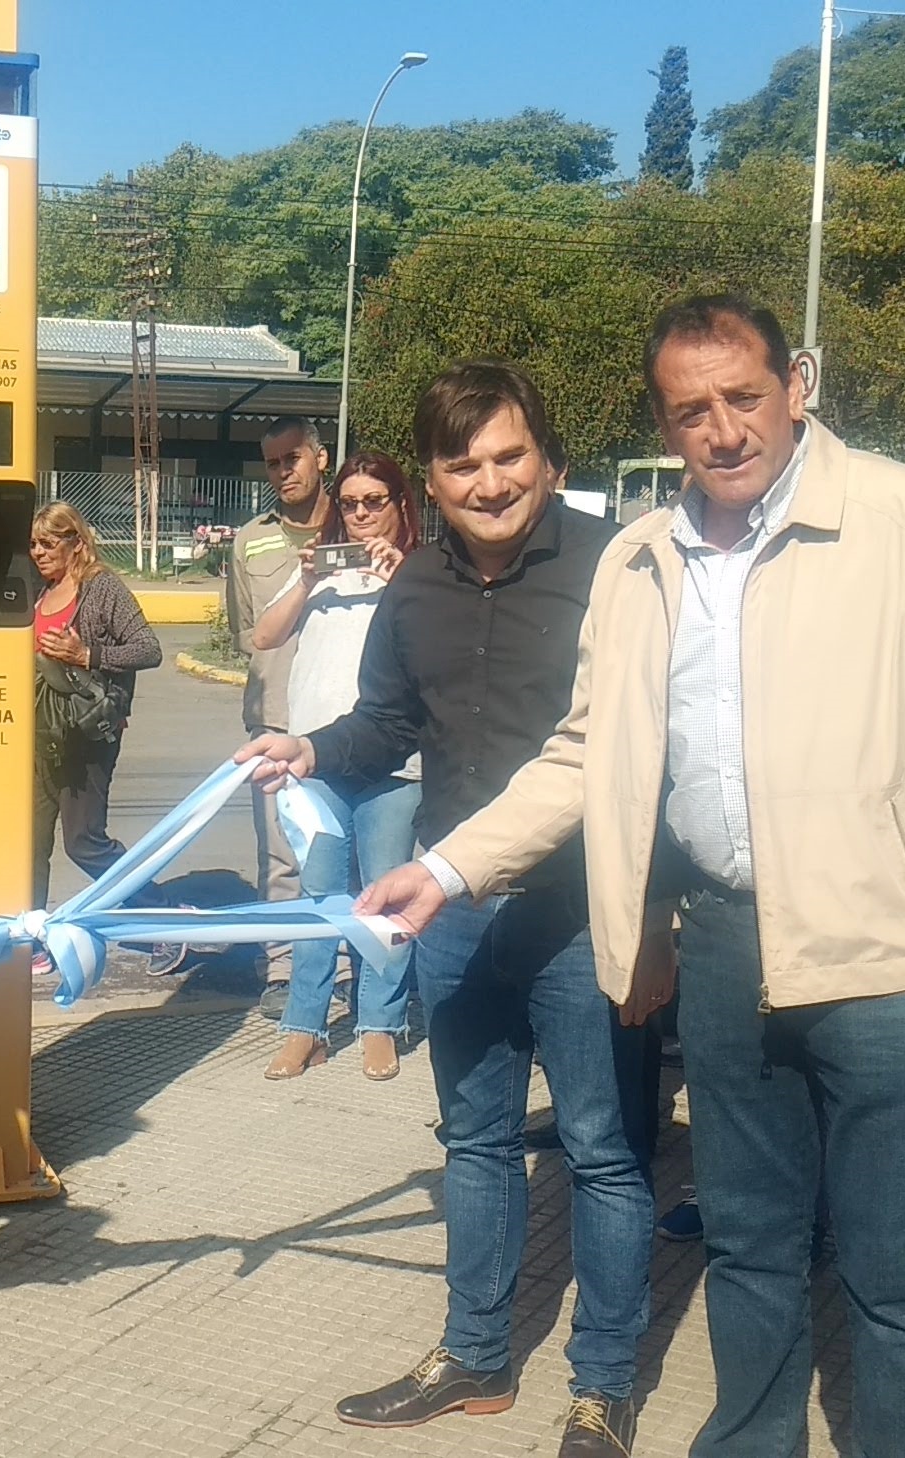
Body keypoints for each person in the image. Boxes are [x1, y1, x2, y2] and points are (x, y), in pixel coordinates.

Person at [359, 295, 905, 1458]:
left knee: (899, 1275)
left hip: (893, 960)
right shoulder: (645, 557)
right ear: (664, 421)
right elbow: (586, 754)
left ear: (795, 383)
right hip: (721, 945)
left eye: (741, 397)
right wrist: (446, 869)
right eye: (688, 409)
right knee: (746, 1249)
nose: (719, 429)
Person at [241, 363, 657, 1457]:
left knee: (602, 1150)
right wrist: (310, 746)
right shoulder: (412, 589)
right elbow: (385, 725)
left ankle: (602, 1386)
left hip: (585, 907)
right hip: (452, 907)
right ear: (430, 478)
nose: (489, 481)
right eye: (461, 463)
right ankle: (473, 1355)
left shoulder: (618, 568)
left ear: (550, 460)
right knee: (473, 1138)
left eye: (509, 456)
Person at [247, 450, 420, 1081]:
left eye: (376, 501)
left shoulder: (423, 575)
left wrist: (403, 579)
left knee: (385, 898)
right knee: (320, 899)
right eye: (350, 503)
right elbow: (264, 637)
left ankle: (380, 1023)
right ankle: (306, 1027)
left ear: (403, 505)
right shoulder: (323, 573)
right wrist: (307, 580)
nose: (363, 515)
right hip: (316, 761)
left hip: (397, 766)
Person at [29, 504, 172, 953]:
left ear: (77, 543)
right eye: (33, 544)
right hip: (40, 735)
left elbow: (149, 649)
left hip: (87, 736)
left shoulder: (101, 588)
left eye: (48, 544)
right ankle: (32, 939)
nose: (38, 553)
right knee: (27, 844)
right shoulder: (39, 589)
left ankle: (161, 914)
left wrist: (87, 655)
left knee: (84, 842)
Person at [229, 418, 332, 1016]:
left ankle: (345, 967)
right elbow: (249, 632)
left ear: (320, 457)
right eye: (272, 463)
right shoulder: (250, 539)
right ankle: (283, 967)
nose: (284, 471)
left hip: (344, 718)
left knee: (341, 851)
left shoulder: (355, 521)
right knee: (281, 853)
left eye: (293, 457)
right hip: (273, 719)